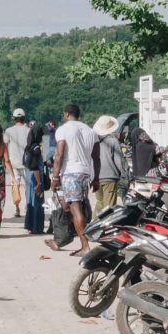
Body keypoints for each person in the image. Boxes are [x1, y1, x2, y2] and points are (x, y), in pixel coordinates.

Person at [48, 102, 99, 253]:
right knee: (67, 206)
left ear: (67, 114)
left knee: (75, 209)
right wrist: (96, 178)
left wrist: (55, 177)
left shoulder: (63, 130)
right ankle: (63, 239)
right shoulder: (91, 131)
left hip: (71, 173)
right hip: (85, 173)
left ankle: (85, 246)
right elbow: (96, 158)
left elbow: (59, 155)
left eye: (64, 115)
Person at [21, 116, 48, 235]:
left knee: (30, 202)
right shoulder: (36, 149)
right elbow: (35, 167)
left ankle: (29, 226)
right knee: (37, 202)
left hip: (29, 179)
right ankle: (37, 227)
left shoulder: (28, 147)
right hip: (35, 179)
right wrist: (39, 183)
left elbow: (27, 164)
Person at [92, 115, 123, 213]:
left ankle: (94, 224)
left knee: (100, 203)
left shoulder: (93, 141)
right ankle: (107, 226)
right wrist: (124, 175)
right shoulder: (113, 141)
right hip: (109, 177)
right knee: (109, 206)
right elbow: (119, 161)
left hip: (95, 177)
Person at [4, 107, 31, 216]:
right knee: (28, 187)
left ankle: (17, 209)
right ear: (24, 118)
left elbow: (4, 146)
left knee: (15, 185)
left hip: (12, 163)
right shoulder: (29, 130)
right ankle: (28, 207)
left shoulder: (9, 131)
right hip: (27, 163)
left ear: (14, 118)